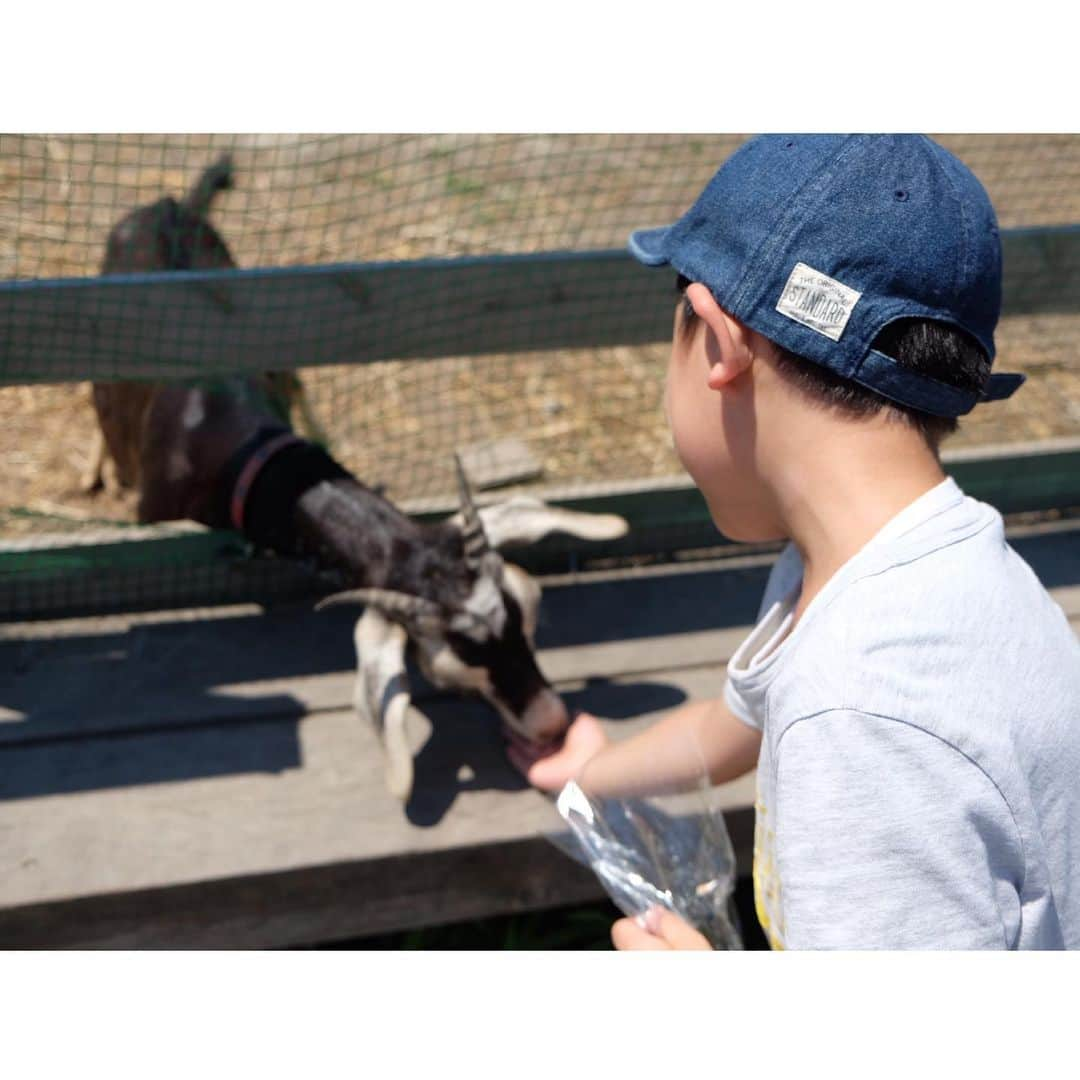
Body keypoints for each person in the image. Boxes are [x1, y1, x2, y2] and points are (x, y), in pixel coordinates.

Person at [508, 134, 1080, 950]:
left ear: (716, 340)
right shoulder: (893, 570)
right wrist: (592, 775)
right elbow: (739, 723)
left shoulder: (861, 716)